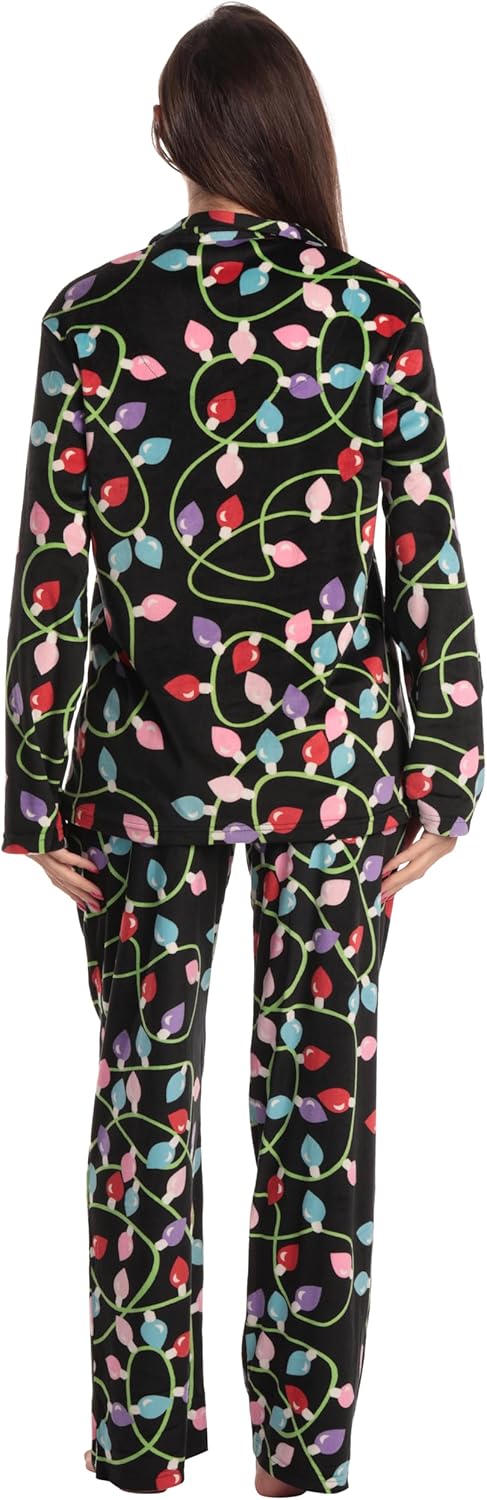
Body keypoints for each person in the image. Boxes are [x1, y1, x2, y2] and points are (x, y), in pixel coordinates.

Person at [2, 3, 484, 1494]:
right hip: (330, 771)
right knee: (318, 1100)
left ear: (169, 133)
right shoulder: (374, 312)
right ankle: (298, 1457)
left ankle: (144, 1445)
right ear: (290, 132)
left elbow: (55, 568)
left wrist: (35, 792)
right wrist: (445, 769)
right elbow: (424, 558)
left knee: (143, 1097)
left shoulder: (92, 316)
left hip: (140, 771)